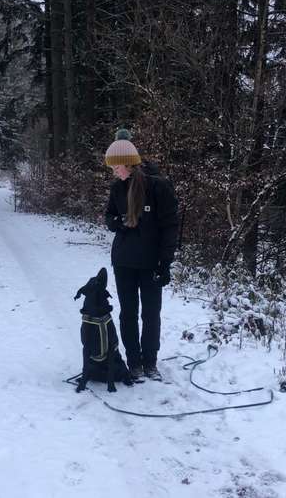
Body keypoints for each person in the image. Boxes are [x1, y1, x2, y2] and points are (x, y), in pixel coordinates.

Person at [104, 129, 179, 381]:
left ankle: (150, 363)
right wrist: (119, 223)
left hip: (150, 262)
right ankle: (133, 362)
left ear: (128, 163)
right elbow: (109, 217)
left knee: (150, 313)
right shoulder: (117, 188)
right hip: (124, 261)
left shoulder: (158, 186)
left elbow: (170, 226)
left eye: (116, 167)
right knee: (128, 312)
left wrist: (164, 263)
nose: (114, 172)